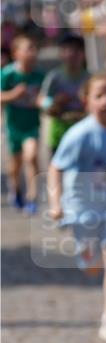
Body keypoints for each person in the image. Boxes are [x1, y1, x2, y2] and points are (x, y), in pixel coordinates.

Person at [47, 73, 106, 341]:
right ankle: (88, 260)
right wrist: (56, 202)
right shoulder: (80, 135)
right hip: (82, 209)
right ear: (86, 100)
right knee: (91, 264)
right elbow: (56, 167)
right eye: (99, 96)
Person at [0, 33, 44, 213]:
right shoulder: (8, 74)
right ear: (16, 53)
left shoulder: (39, 76)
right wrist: (14, 95)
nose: (32, 53)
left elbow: (43, 98)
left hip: (32, 125)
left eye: (34, 49)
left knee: (32, 156)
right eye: (28, 49)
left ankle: (32, 197)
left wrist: (44, 103)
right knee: (15, 165)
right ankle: (15, 189)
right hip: (13, 126)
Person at [39, 33, 89, 156]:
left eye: (77, 50)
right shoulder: (54, 77)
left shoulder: (89, 78)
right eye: (68, 50)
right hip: (59, 131)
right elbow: (41, 99)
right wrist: (54, 102)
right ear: (61, 54)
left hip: (83, 130)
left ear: (83, 54)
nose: (72, 54)